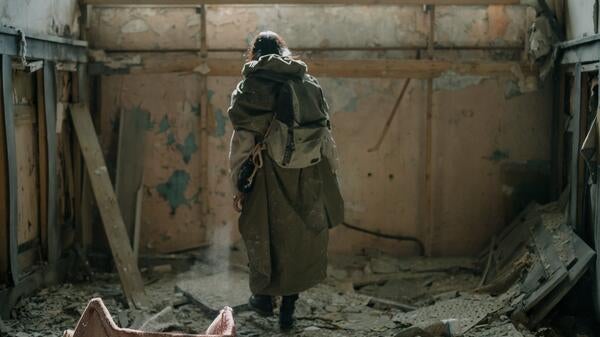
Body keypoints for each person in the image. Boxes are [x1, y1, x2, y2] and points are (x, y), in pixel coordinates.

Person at [227, 31, 344, 331]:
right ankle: (288, 312)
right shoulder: (308, 84)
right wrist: (331, 172)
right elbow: (325, 136)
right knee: (299, 240)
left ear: (253, 53)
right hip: (307, 174)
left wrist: (238, 183)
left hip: (265, 173)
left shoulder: (250, 88)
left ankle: (264, 299)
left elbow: (242, 141)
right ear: (283, 50)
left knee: (261, 234)